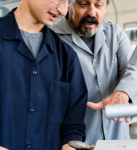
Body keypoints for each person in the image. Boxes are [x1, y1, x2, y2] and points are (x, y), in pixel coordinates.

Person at [50, 0, 137, 145]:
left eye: (98, 5)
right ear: (69, 5)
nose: (92, 12)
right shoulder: (52, 37)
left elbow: (133, 68)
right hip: (76, 141)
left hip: (118, 139)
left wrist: (122, 93)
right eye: (83, 4)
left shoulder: (115, 33)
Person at [0, 0, 88, 149]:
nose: (64, 10)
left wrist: (70, 145)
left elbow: (73, 123)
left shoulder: (67, 56)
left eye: (69, 2)